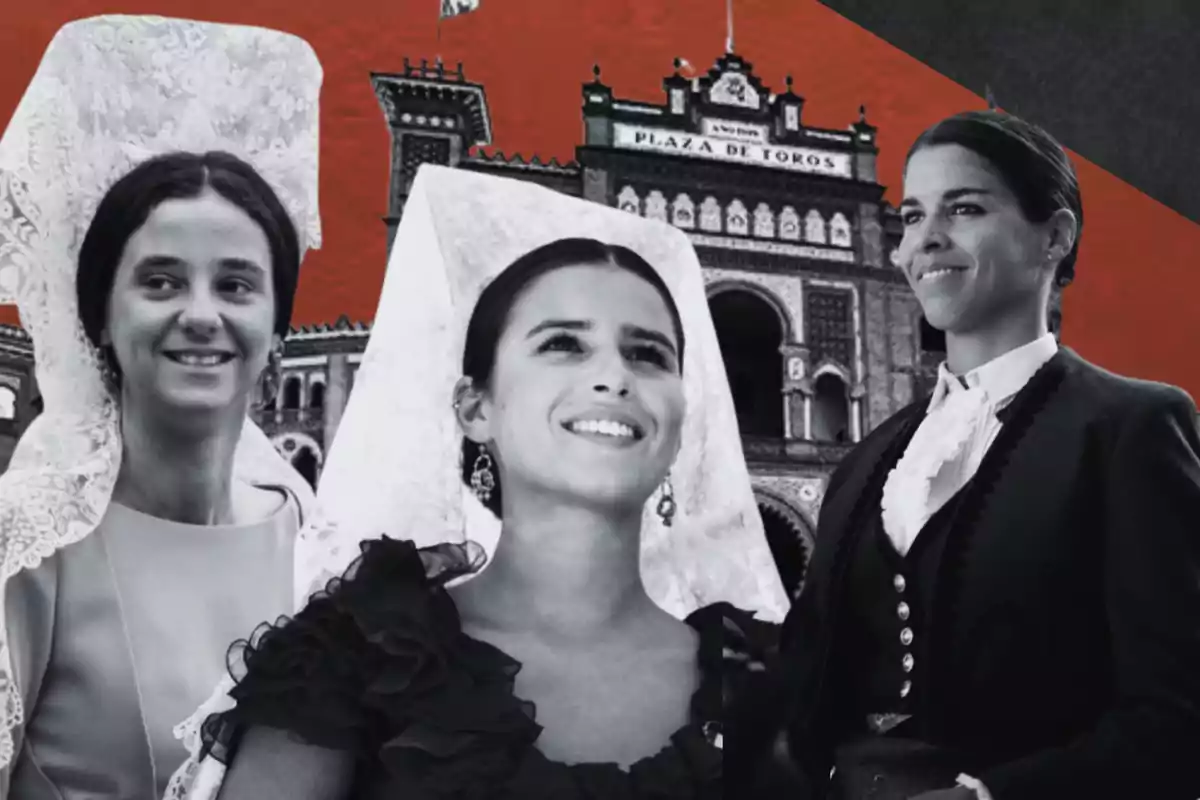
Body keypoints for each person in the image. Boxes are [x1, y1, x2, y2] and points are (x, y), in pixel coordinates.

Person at [167, 164, 789, 799]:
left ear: (682, 420)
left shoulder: (765, 684)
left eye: (648, 354)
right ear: (475, 408)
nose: (614, 376)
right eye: (564, 345)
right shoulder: (351, 662)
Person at [731, 109, 1200, 800]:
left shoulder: (1131, 427)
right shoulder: (864, 464)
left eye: (966, 208)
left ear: (1055, 237)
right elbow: (803, 689)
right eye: (913, 216)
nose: (926, 240)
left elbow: (1176, 718)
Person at [0, 16, 324, 799]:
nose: (202, 313)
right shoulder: (32, 546)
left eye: (237, 283)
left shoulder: (310, 537)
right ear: (101, 318)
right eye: (162, 281)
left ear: (276, 326)